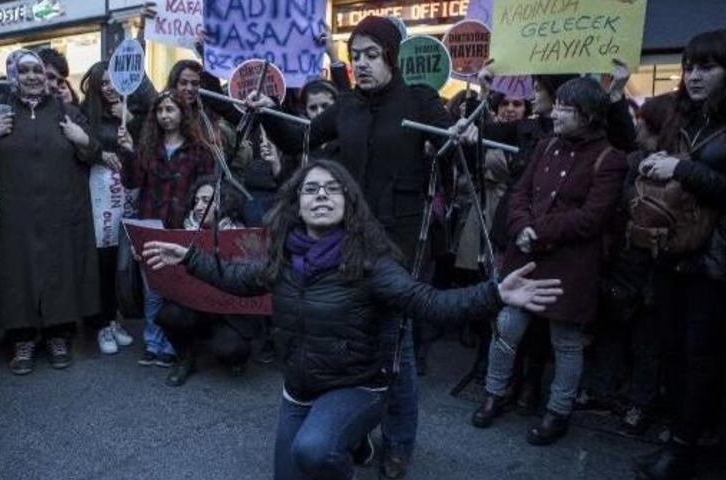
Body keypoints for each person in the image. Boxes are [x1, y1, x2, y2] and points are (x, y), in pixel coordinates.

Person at [140, 159, 563, 480]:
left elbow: (429, 303)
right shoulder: (283, 255)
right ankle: (354, 443)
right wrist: (190, 257)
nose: (321, 195)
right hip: (300, 389)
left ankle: (346, 444)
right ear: (296, 203)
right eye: (311, 190)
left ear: (348, 203)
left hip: (358, 384)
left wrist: (495, 293)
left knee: (314, 451)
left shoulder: (370, 262)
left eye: (333, 189)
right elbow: (238, 279)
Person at [248, 17, 465, 477]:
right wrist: (265, 111)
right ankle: (352, 430)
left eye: (371, 54)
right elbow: (303, 139)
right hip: (350, 245)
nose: (362, 64)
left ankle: (399, 441)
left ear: (391, 56)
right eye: (355, 56)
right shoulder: (345, 106)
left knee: (396, 348)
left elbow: (453, 151)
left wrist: (462, 138)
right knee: (358, 343)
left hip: (402, 249)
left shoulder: (421, 100)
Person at [472, 78, 628, 446]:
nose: (554, 112)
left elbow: (593, 217)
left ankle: (558, 412)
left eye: (564, 108)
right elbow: (520, 193)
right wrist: (522, 227)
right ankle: (495, 394)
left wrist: (538, 231)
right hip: (524, 256)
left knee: (567, 342)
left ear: (588, 116)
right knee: (507, 326)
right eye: (555, 105)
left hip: (571, 264)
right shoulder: (545, 146)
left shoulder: (610, 158)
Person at [632, 30, 726, 480]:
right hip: (670, 246)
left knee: (703, 355)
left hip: (716, 257)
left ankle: (683, 449)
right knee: (672, 347)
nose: (694, 76)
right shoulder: (685, 114)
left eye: (707, 67)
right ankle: (684, 434)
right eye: (690, 66)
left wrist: (683, 169)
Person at [0, 49, 101, 375]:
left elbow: (93, 154)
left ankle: (59, 336)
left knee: (60, 271)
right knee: (15, 275)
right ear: (13, 74)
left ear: (47, 77)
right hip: (12, 213)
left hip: (59, 210)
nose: (32, 76)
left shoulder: (67, 111)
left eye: (38, 71)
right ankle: (23, 341)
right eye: (25, 70)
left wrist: (81, 137)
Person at [577, 94, 677, 434]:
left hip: (656, 263)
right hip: (623, 258)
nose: (637, 126)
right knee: (611, 329)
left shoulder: (678, 166)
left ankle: (639, 404)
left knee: (645, 340)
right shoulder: (632, 160)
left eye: (643, 122)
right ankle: (601, 391)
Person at [117, 90, 214, 368]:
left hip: (183, 227)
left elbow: (205, 186)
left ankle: (172, 343)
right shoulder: (148, 146)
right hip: (151, 223)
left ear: (183, 113)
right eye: (160, 110)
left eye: (171, 110)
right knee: (153, 289)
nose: (165, 116)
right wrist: (127, 152)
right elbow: (132, 180)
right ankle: (152, 342)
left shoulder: (199, 149)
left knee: (178, 288)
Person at [155, 176, 258, 385]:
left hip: (229, 313)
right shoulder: (182, 232)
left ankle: (233, 357)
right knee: (169, 314)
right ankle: (185, 358)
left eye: (206, 200)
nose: (199, 206)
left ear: (225, 202)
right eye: (196, 201)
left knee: (230, 348)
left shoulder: (242, 235)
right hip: (192, 306)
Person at [79, 60, 140, 355]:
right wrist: (100, 153)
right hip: (98, 196)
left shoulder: (131, 113)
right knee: (102, 262)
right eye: (103, 82)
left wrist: (131, 119)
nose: (109, 87)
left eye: (114, 80)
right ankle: (102, 324)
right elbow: (78, 150)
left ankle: (115, 319)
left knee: (122, 262)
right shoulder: (86, 115)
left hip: (127, 194)